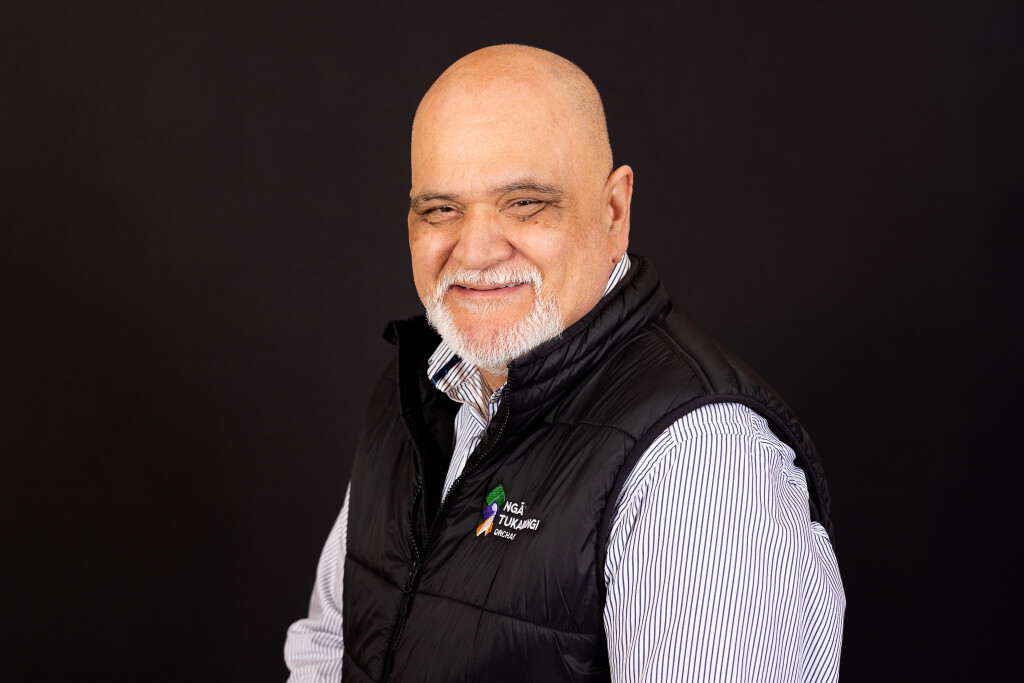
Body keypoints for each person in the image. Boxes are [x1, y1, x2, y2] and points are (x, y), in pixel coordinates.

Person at [285, 44, 845, 682]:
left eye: (525, 202)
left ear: (614, 211)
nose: (475, 250)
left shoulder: (701, 462)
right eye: (441, 210)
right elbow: (328, 651)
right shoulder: (418, 389)